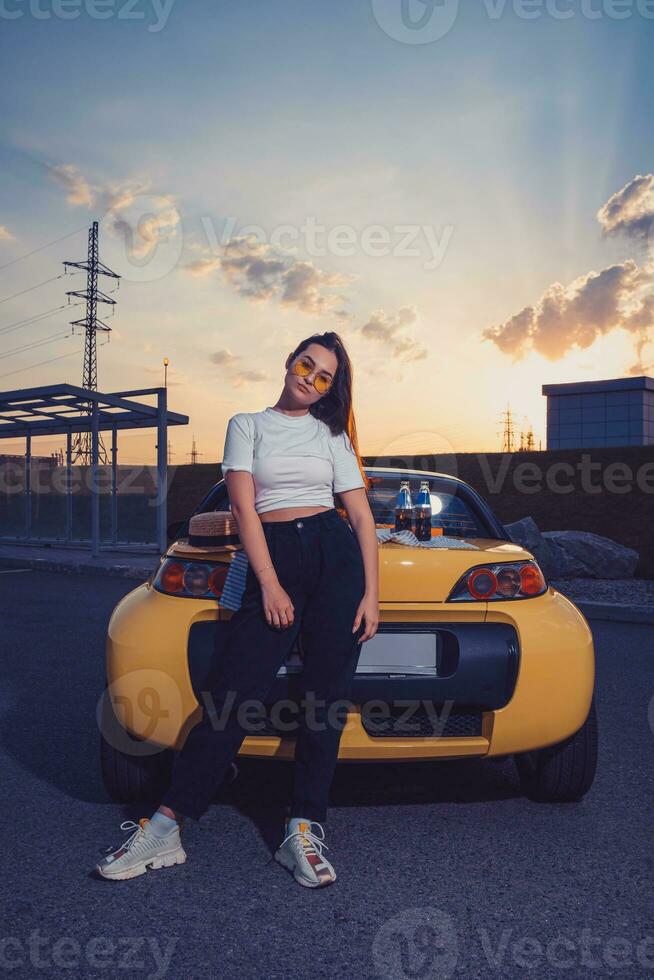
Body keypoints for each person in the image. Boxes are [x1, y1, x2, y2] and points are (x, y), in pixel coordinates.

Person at [96, 331, 380, 888]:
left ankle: (303, 828)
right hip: (273, 557)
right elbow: (245, 509)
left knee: (325, 701)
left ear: (329, 389)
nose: (311, 378)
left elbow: (362, 518)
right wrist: (271, 585)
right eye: (306, 363)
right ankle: (166, 827)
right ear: (289, 360)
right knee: (231, 694)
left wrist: (372, 593)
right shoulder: (246, 425)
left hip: (334, 558)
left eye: (324, 376)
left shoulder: (332, 435)